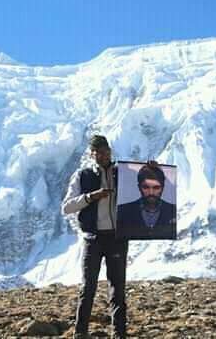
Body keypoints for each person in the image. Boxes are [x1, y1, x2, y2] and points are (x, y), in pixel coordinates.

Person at [61, 135, 128, 339]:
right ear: (92, 154)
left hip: (117, 238)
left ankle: (119, 334)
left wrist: (151, 169)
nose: (103, 155)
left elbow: (148, 184)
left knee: (117, 288)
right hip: (93, 239)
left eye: (106, 151)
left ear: (110, 151)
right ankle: (80, 333)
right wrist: (91, 197)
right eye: (98, 152)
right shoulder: (83, 175)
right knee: (88, 287)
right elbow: (67, 206)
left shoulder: (124, 173)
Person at [117, 164, 176, 240]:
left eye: (156, 188)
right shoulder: (123, 211)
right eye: (146, 187)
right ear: (139, 187)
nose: (151, 193)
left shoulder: (173, 211)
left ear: (163, 188)